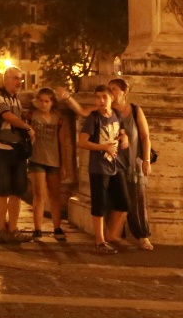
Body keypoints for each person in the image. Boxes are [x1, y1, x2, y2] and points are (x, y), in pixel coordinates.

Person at [78, 84, 130, 254]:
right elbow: (82, 142)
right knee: (99, 204)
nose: (100, 101)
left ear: (111, 98)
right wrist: (103, 147)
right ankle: (99, 241)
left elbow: (122, 131)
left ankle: (110, 235)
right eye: (97, 97)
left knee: (123, 202)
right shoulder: (93, 118)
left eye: (104, 97)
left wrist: (124, 137)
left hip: (115, 165)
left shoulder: (117, 115)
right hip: (99, 166)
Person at [0, 67, 34, 243]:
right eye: (15, 78)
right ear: (5, 79)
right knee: (1, 190)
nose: (19, 82)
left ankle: (13, 228)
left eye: (20, 79)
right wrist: (27, 127)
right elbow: (6, 116)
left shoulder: (17, 99)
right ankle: (1, 229)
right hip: (0, 148)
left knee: (17, 190)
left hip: (17, 150)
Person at [108, 78, 153, 250]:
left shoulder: (135, 110)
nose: (111, 92)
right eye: (109, 89)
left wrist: (146, 160)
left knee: (137, 199)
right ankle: (117, 235)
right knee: (117, 199)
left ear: (124, 92)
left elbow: (144, 136)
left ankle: (143, 235)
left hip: (134, 160)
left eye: (114, 89)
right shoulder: (107, 111)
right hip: (114, 161)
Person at [26, 87, 68, 241]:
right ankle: (37, 229)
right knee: (39, 195)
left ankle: (57, 227)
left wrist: (64, 165)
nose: (44, 104)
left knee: (55, 196)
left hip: (54, 161)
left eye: (47, 101)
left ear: (52, 103)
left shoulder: (58, 119)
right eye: (41, 101)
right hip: (37, 158)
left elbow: (63, 143)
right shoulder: (32, 116)